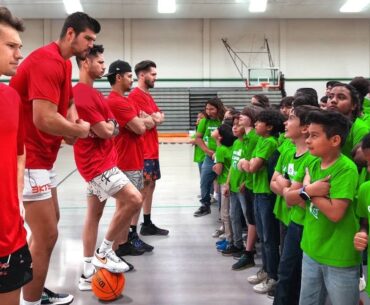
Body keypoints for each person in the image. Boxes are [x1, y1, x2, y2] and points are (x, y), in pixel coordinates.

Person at [10, 12, 100, 305]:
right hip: (30, 158)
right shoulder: (46, 61)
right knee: (47, 235)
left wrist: (72, 120)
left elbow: (67, 101)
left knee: (50, 226)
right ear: (71, 34)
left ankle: (33, 288)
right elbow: (44, 118)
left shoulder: (61, 63)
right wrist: (78, 130)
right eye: (87, 38)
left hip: (43, 161)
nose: (90, 45)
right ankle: (31, 301)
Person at [73, 47, 143, 290]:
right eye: (100, 62)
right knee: (134, 199)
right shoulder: (81, 94)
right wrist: (109, 126)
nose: (104, 66)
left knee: (93, 216)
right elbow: (106, 130)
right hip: (97, 165)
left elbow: (109, 126)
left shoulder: (94, 94)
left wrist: (108, 125)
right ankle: (104, 252)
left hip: (103, 161)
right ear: (85, 63)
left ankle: (86, 273)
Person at [285, 110, 361, 305]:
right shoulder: (311, 160)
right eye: (307, 135)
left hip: (339, 255)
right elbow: (290, 198)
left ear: (335, 140)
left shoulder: (346, 169)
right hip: (311, 248)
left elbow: (335, 213)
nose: (308, 140)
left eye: (314, 135)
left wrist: (308, 191)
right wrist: (311, 190)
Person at [106, 60, 156, 256]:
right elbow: (141, 126)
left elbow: (144, 121)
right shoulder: (117, 102)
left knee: (127, 207)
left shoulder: (125, 101)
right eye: (128, 76)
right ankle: (115, 247)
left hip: (133, 159)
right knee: (124, 207)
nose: (131, 80)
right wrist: (144, 120)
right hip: (125, 161)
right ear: (118, 77)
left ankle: (123, 242)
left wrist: (143, 119)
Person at [0, 7, 33, 305]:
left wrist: (16, 202)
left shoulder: (11, 98)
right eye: (11, 46)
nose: (19, 54)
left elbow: (19, 154)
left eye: (19, 47)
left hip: (10, 235)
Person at [270, 105, 317, 304]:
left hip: (304, 223)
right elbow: (272, 182)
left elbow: (300, 199)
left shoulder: (312, 158)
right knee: (286, 270)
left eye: (291, 119)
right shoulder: (288, 151)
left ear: (305, 127)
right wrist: (290, 190)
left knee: (294, 275)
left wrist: (288, 189)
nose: (285, 123)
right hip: (288, 217)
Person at [243, 109, 285, 294]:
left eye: (259, 122)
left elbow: (252, 166)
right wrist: (248, 161)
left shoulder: (269, 142)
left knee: (269, 238)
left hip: (266, 195)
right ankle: (266, 270)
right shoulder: (261, 139)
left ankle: (273, 276)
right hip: (258, 192)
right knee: (263, 235)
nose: (255, 124)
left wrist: (244, 162)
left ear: (269, 127)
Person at [128, 60, 168, 236]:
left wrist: (153, 117)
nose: (155, 78)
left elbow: (160, 116)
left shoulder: (148, 96)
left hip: (152, 149)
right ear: (142, 75)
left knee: (150, 186)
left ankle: (147, 222)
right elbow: (144, 122)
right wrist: (152, 118)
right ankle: (131, 230)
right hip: (142, 150)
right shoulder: (135, 96)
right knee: (141, 189)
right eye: (153, 74)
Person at [193, 98, 225, 217]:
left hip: (224, 156)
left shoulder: (224, 120)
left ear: (219, 108)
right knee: (204, 180)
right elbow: (198, 138)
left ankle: (224, 209)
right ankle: (205, 205)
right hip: (210, 157)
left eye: (212, 109)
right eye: (207, 108)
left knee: (223, 182)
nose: (208, 111)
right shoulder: (205, 121)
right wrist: (208, 151)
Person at [326, 83, 370, 158]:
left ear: (353, 105)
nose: (333, 100)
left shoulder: (360, 129)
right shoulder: (322, 125)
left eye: (341, 97)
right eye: (330, 97)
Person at [354, 133, 370, 299]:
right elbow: (365, 221)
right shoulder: (366, 189)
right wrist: (363, 232)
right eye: (368, 163)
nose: (369, 169)